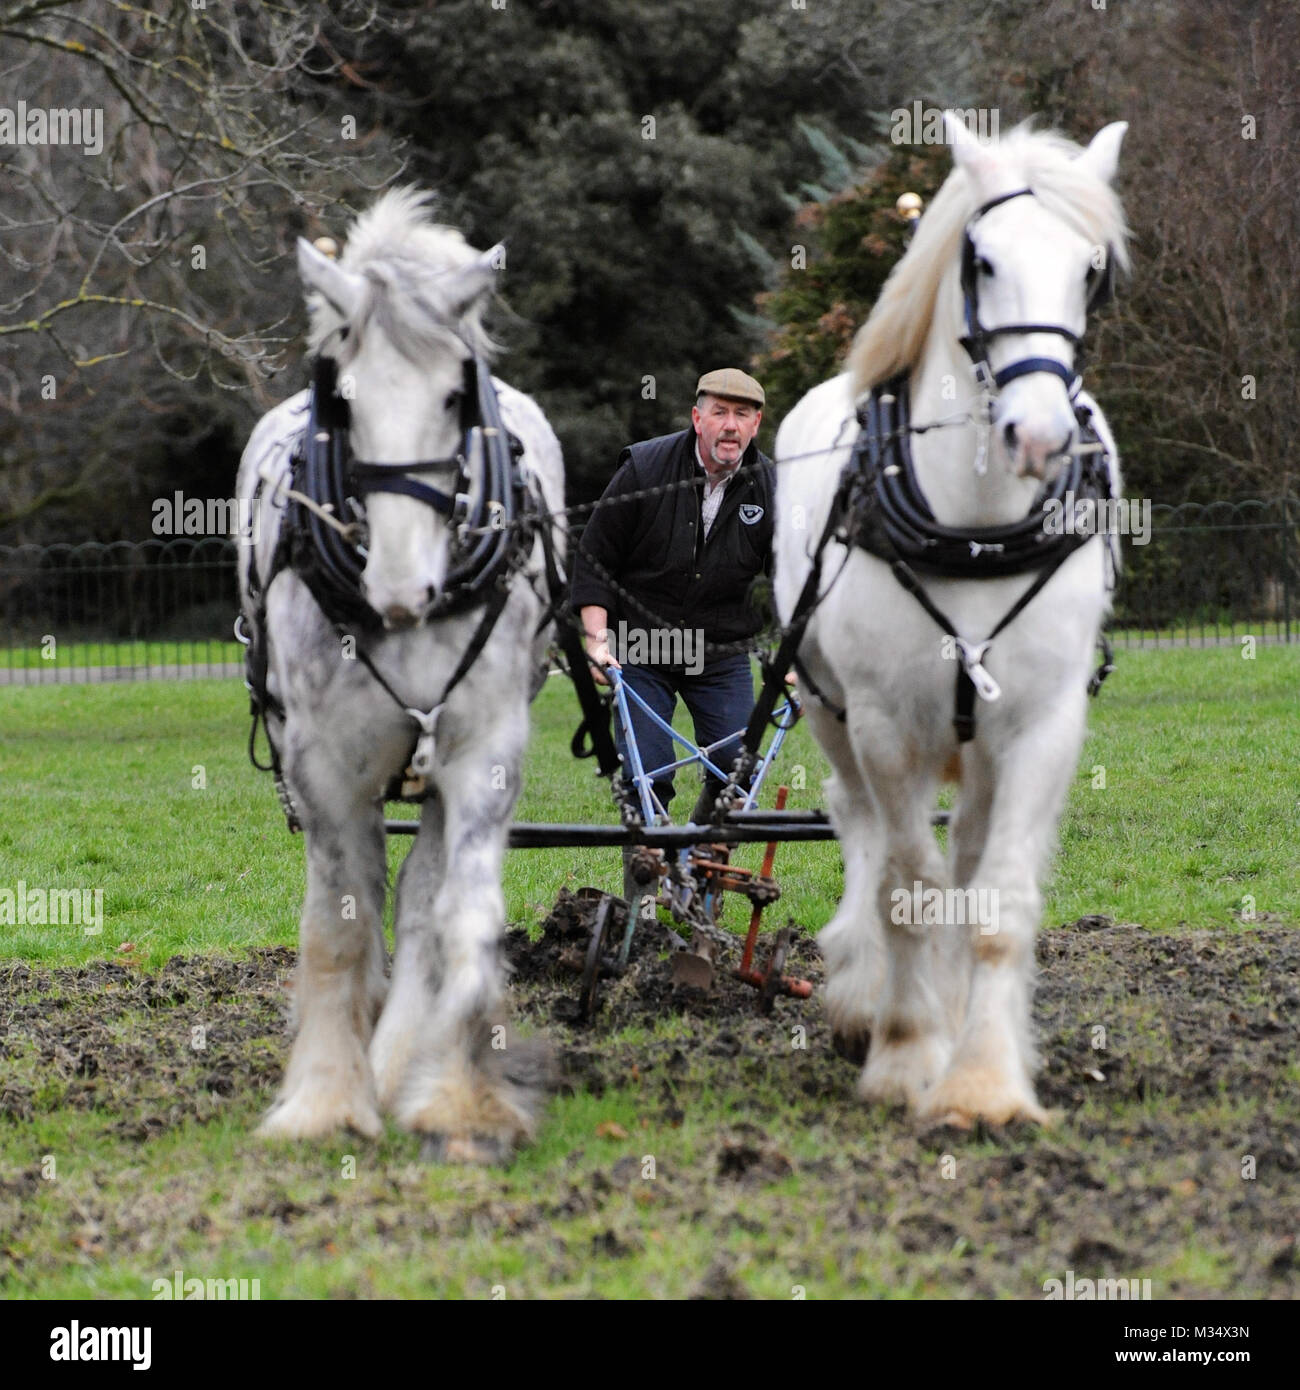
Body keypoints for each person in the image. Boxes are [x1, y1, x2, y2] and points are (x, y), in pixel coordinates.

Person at [570, 368, 775, 916]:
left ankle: (700, 881)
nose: (730, 427)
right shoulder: (645, 468)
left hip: (721, 652)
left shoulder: (772, 487)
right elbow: (594, 559)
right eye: (720, 413)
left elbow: (793, 581)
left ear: (756, 424)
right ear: (697, 418)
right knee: (647, 773)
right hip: (644, 648)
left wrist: (795, 657)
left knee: (738, 769)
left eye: (743, 415)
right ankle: (642, 904)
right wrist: (596, 638)